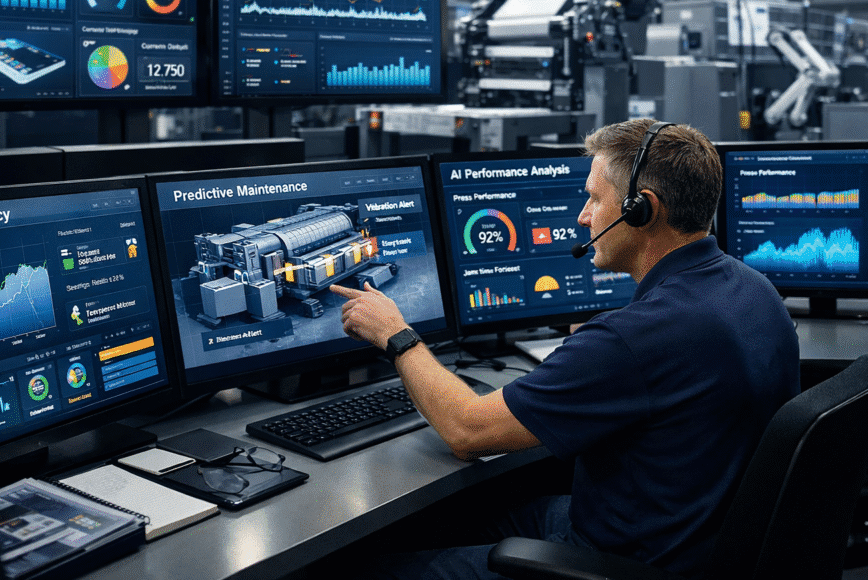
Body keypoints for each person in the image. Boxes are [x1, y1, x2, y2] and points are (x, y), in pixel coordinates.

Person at [329, 119, 800, 579]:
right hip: (689, 538)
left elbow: (467, 431)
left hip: (622, 561)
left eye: (594, 198)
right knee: (453, 520)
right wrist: (598, 350)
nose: (583, 216)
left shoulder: (631, 340)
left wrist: (396, 334)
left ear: (641, 209)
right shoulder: (756, 290)